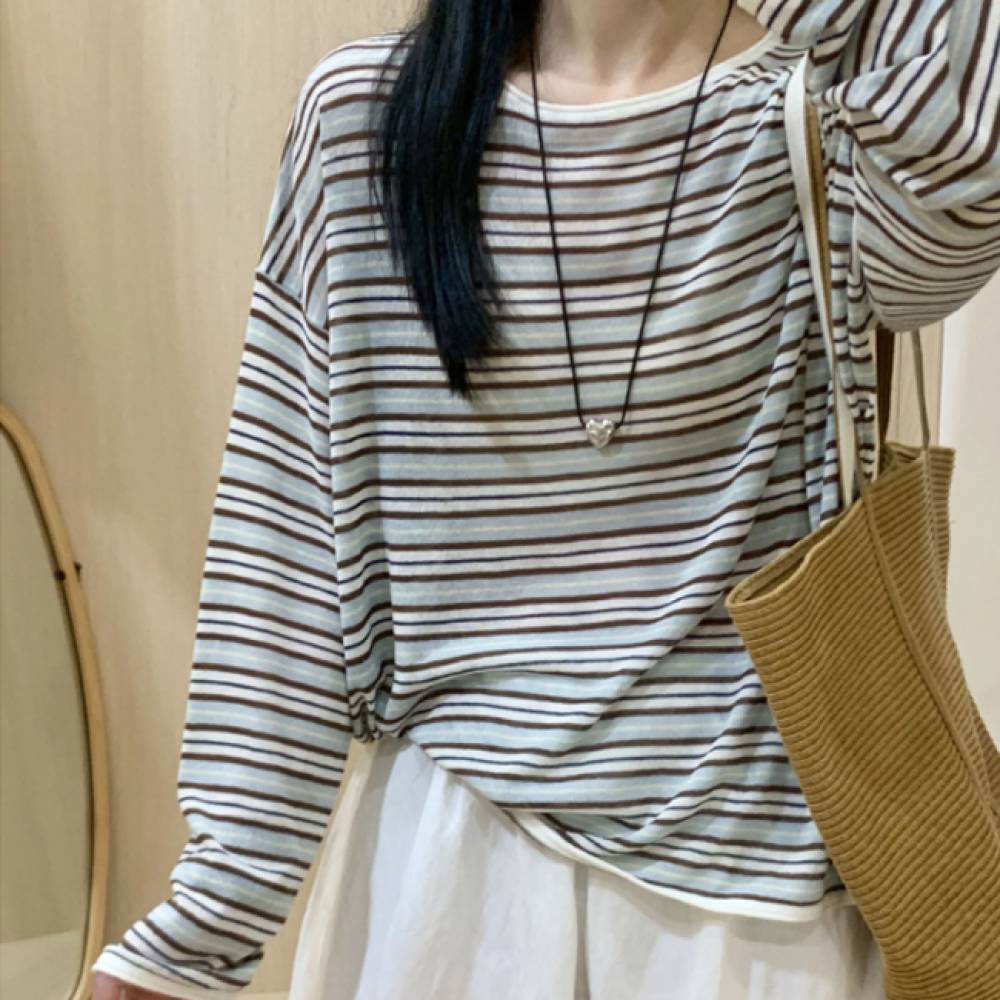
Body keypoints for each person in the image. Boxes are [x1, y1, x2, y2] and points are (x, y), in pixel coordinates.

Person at [90, 0, 1000, 997]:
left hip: (755, 918)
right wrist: (204, 922)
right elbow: (289, 548)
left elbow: (960, 162)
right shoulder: (366, 120)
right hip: (445, 890)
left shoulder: (838, 126)